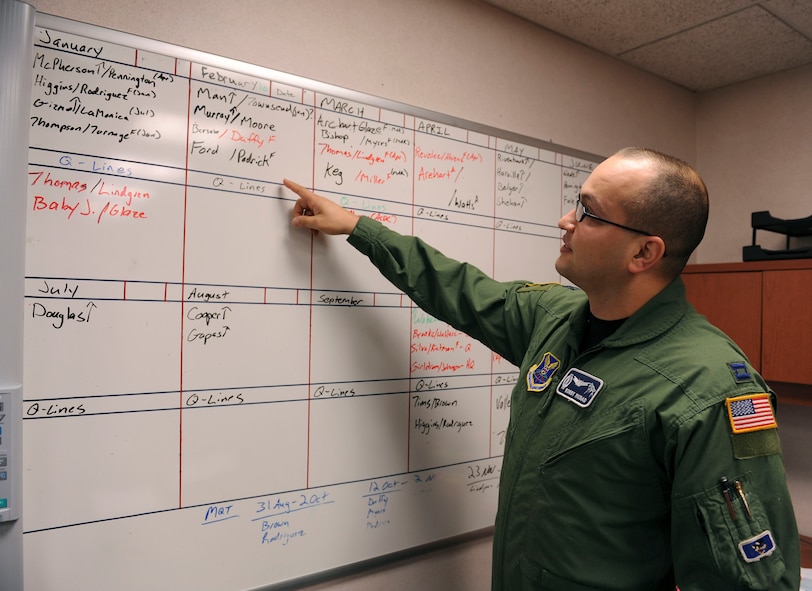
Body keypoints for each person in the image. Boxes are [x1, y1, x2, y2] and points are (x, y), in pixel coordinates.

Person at [283, 147, 800, 590]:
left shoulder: (706, 389)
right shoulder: (555, 318)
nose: (566, 221)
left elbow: (742, 577)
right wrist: (357, 228)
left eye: (590, 213)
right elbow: (459, 288)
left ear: (645, 252)